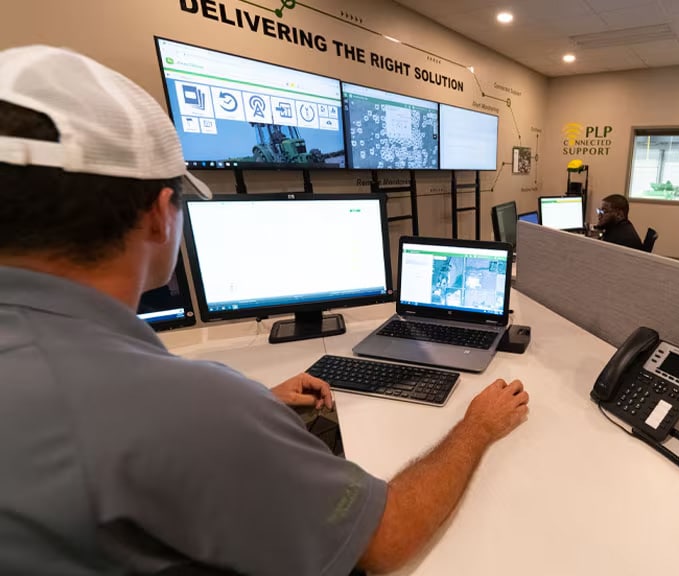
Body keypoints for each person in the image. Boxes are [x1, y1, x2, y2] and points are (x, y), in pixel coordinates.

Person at [0, 46, 530, 576]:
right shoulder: (184, 407)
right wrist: (475, 428)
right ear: (163, 216)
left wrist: (249, 406)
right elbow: (385, 542)